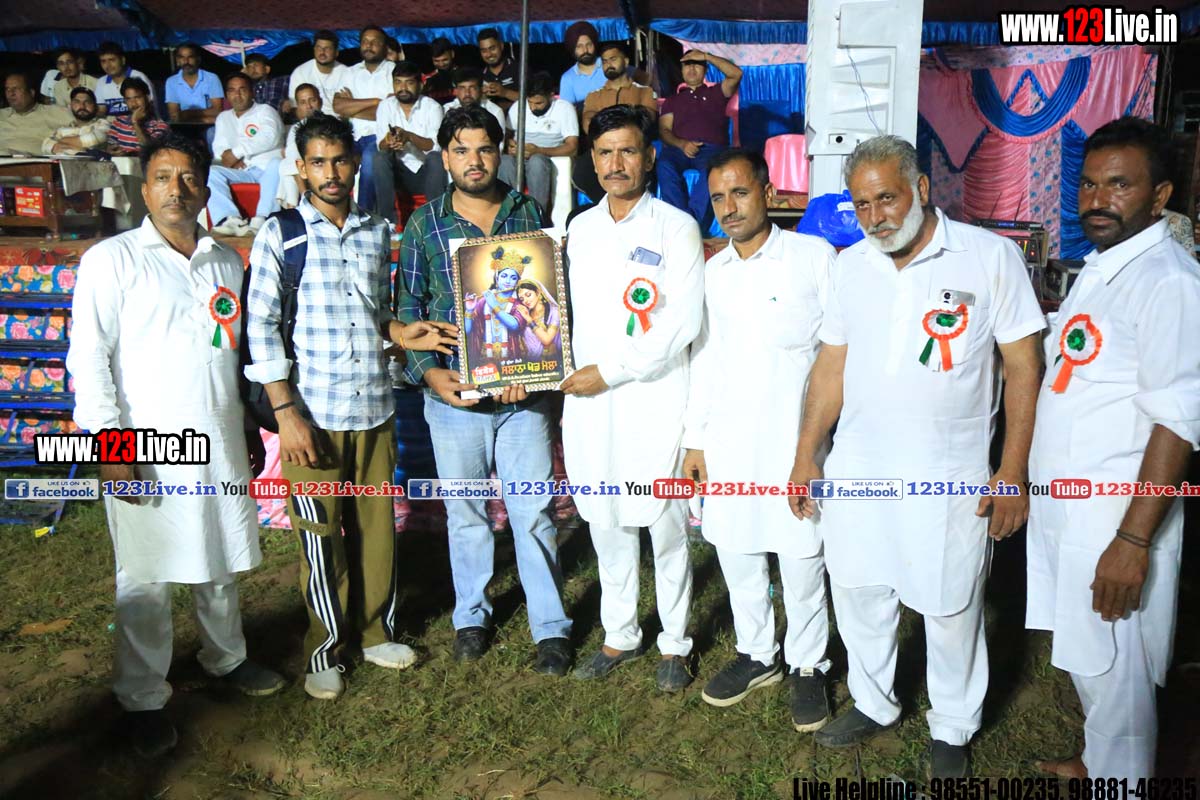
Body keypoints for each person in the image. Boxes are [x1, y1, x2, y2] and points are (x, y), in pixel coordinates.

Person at [787, 135, 1045, 778]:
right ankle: (874, 703)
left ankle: (953, 724)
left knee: (951, 603)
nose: (875, 217)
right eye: (862, 204)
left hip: (947, 473)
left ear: (922, 189)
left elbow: (1023, 365)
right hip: (857, 468)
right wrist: (806, 453)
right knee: (858, 589)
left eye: (887, 199)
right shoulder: (851, 266)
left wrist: (1012, 471)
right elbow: (830, 367)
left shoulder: (988, 257)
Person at [66, 135, 286, 759]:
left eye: (188, 178)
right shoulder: (111, 260)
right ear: (145, 189)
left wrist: (245, 427)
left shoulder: (224, 261)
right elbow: (88, 356)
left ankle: (227, 657)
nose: (176, 189)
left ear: (205, 188)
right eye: (163, 177)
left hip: (217, 434)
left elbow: (228, 353)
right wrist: (110, 444)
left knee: (217, 554)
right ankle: (142, 696)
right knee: (146, 572)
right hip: (145, 443)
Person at [245, 112, 457, 700]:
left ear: (355, 164)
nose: (332, 172)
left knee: (375, 530)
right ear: (301, 168)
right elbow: (260, 327)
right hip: (311, 415)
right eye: (319, 162)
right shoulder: (281, 233)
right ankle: (324, 649)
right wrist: (286, 414)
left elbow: (375, 312)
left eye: (340, 160)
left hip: (374, 407)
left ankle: (373, 633)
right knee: (321, 538)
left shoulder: (375, 229)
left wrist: (403, 332)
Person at [1026, 117, 1200, 782]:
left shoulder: (1169, 281)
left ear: (1159, 196)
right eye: (1090, 184)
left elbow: (1177, 421)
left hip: (1115, 517)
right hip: (1070, 508)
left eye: (1119, 185)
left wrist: (1132, 542)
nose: (1097, 200)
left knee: (1118, 666)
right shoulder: (1105, 267)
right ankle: (1100, 762)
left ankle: (1120, 779)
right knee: (1089, 653)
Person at [394, 106, 574, 676]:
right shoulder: (425, 225)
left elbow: (547, 298)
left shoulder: (528, 211)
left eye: (485, 149)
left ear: (501, 152)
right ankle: (471, 617)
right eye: (461, 150)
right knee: (466, 514)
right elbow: (407, 310)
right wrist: (430, 373)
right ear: (445, 157)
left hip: (524, 401)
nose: (474, 160)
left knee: (533, 512)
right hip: (456, 400)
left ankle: (551, 626)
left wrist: (536, 372)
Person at [684, 148, 836, 728]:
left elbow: (839, 352)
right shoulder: (714, 272)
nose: (729, 207)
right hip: (730, 440)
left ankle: (808, 664)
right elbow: (704, 358)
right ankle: (757, 654)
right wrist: (696, 441)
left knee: (801, 555)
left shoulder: (812, 257)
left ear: (768, 193)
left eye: (740, 192)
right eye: (718, 198)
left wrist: (818, 445)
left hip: (796, 441)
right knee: (737, 548)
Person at [561, 104, 703, 692]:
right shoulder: (578, 230)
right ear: (591, 161)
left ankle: (675, 641)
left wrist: (612, 371)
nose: (615, 164)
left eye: (627, 151)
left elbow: (683, 323)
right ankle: (620, 633)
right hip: (590, 404)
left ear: (649, 158)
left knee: (663, 527)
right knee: (606, 521)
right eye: (604, 153)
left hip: (653, 397)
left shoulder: (676, 226)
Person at [657, 50, 742, 231]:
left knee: (713, 169)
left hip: (711, 150)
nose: (692, 68)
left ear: (705, 70)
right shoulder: (672, 101)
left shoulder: (717, 92)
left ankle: (691, 224)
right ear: (681, 70)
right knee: (664, 165)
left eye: (697, 64)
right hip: (678, 149)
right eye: (687, 65)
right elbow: (664, 130)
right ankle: (679, 220)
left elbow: (736, 74)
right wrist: (682, 144)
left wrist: (707, 56)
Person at [577, 42, 657, 202]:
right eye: (604, 61)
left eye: (613, 59)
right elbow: (589, 126)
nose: (608, 64)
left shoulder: (644, 91)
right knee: (582, 169)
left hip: (633, 147)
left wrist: (605, 118)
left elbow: (647, 120)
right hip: (603, 149)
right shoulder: (594, 96)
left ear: (626, 61)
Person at [207, 73, 284, 236]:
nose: (238, 94)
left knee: (277, 163)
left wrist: (236, 153)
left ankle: (263, 219)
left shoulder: (265, 111)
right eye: (232, 90)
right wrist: (232, 160)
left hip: (268, 170)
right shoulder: (223, 117)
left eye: (242, 89)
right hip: (243, 172)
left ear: (252, 92)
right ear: (227, 95)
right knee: (212, 172)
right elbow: (219, 148)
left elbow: (270, 137)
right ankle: (230, 219)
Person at [372, 60, 446, 223]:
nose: (403, 88)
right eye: (398, 82)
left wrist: (409, 137)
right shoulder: (385, 106)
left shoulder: (433, 107)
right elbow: (380, 145)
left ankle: (437, 221)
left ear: (420, 85)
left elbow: (437, 146)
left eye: (409, 83)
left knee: (436, 158)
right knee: (379, 157)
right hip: (398, 173)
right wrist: (389, 142)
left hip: (426, 172)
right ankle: (388, 222)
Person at [332, 25, 395, 211]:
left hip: (381, 135)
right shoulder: (349, 72)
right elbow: (338, 106)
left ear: (384, 47)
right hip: (352, 136)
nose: (369, 45)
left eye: (375, 42)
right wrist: (376, 101)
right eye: (365, 41)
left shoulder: (393, 71)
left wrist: (352, 107)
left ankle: (364, 214)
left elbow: (390, 112)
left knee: (369, 158)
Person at [500, 71, 579, 212]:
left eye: (538, 103)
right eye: (529, 102)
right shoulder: (518, 106)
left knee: (537, 161)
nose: (532, 108)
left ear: (551, 96)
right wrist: (510, 145)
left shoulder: (564, 109)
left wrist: (539, 150)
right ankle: (509, 211)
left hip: (547, 159)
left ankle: (537, 212)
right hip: (518, 158)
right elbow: (507, 138)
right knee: (504, 161)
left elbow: (572, 147)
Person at [0, 72, 73, 156]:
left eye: (16, 89)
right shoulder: (2, 114)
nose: (11, 94)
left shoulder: (54, 113)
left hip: (34, 162)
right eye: (7, 89)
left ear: (31, 93)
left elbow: (83, 127)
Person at [279, 83, 323, 208]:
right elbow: (291, 153)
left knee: (286, 163)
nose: (309, 106)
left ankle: (294, 204)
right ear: (298, 106)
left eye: (312, 100)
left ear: (320, 101)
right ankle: (300, 201)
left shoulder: (330, 122)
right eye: (303, 102)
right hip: (302, 166)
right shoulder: (296, 127)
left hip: (322, 163)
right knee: (286, 161)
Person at [106, 78, 170, 155]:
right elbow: (110, 147)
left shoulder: (160, 126)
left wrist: (135, 123)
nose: (133, 104)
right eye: (128, 99)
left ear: (147, 98)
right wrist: (111, 151)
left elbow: (150, 151)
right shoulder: (118, 122)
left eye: (137, 97)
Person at [288, 30, 348, 111]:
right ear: (314, 49)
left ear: (336, 52)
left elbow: (348, 106)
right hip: (310, 117)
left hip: (338, 117)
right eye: (319, 48)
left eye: (327, 48)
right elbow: (295, 106)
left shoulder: (346, 73)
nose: (322, 52)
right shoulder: (300, 72)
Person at [165, 43, 224, 124]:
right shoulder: (171, 82)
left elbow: (217, 111)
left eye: (190, 57)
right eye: (182, 57)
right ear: (177, 60)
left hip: (209, 125)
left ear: (198, 59)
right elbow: (174, 115)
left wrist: (188, 114)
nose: (186, 61)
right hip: (184, 125)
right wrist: (202, 117)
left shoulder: (211, 78)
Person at [94, 41, 155, 117]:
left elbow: (149, 108)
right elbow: (101, 110)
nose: (108, 65)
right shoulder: (101, 82)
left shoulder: (138, 77)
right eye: (103, 61)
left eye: (112, 60)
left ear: (123, 60)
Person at [43, 87, 110, 155]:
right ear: (70, 106)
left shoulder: (103, 124)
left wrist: (61, 141)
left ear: (95, 106)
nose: (82, 106)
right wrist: (80, 146)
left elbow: (95, 139)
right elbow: (45, 146)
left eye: (87, 102)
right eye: (77, 102)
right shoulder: (63, 129)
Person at [559, 21, 607, 110]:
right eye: (579, 46)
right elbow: (568, 110)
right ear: (573, 49)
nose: (585, 50)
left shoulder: (608, 64)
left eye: (589, 45)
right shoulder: (567, 78)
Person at [443, 68, 506, 135]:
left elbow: (499, 141)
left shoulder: (495, 112)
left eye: (472, 88)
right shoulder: (446, 110)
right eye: (462, 88)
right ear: (456, 91)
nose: (467, 93)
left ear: (481, 89)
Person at [513, 278, 561, 360]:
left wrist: (529, 319)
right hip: (529, 361)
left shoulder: (554, 312)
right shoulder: (525, 313)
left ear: (538, 292)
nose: (526, 301)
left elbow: (547, 340)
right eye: (522, 299)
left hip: (548, 362)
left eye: (528, 295)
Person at [477, 28, 518, 113]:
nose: (489, 54)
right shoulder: (479, 75)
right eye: (484, 51)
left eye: (492, 48)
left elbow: (533, 99)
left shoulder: (518, 68)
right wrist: (480, 96)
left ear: (501, 46)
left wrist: (505, 92)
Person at [422, 37, 457, 105]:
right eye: (436, 61)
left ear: (452, 54)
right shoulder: (426, 79)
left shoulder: (465, 76)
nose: (441, 64)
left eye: (445, 60)